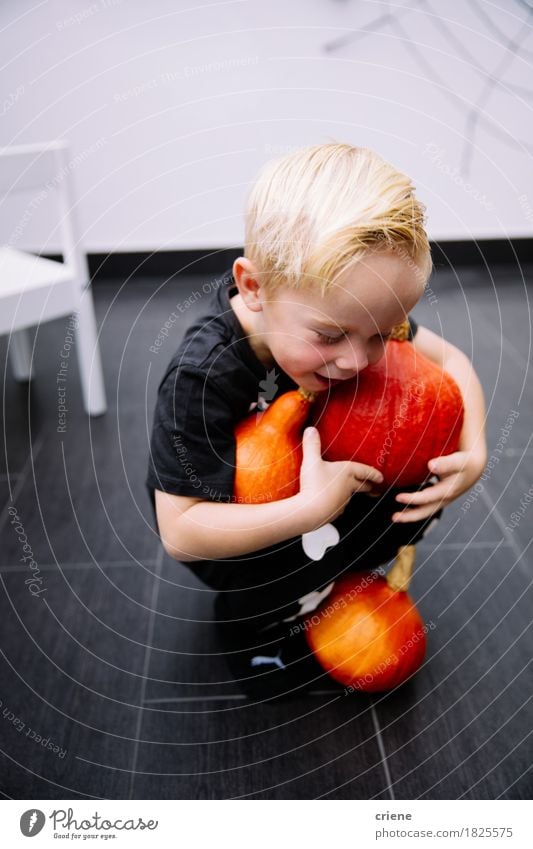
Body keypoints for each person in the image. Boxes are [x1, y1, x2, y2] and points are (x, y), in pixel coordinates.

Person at [146, 143, 487, 700]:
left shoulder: (350, 304)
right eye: (329, 337)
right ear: (254, 290)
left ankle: (327, 575)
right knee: (268, 575)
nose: (356, 359)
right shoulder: (202, 375)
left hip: (321, 475)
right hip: (229, 520)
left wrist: (473, 452)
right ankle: (254, 631)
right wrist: (310, 510)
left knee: (409, 499)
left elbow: (454, 362)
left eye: (382, 334)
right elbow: (183, 533)